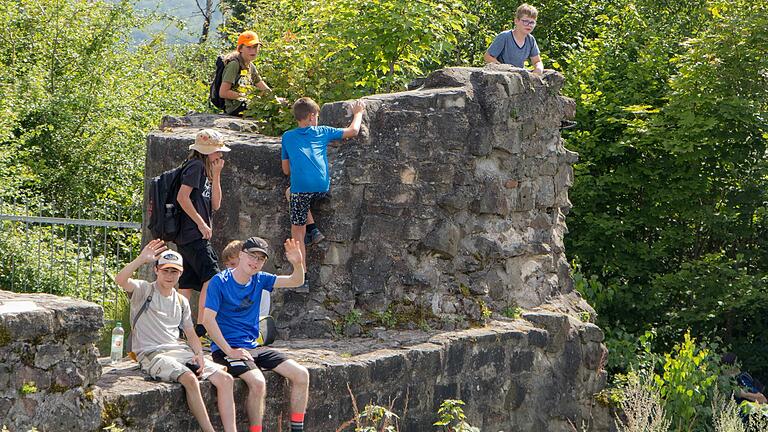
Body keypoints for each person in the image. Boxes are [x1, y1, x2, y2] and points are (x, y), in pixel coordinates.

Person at [114, 239, 236, 432]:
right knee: (189, 377)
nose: (169, 275)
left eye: (174, 271)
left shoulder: (181, 301)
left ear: (180, 273)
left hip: (179, 351)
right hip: (151, 353)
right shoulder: (144, 290)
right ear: (156, 270)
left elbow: (190, 332)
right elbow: (120, 280)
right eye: (165, 270)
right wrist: (140, 259)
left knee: (226, 379)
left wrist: (199, 355)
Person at [203, 237, 309, 432]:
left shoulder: (260, 279)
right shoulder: (220, 281)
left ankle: (297, 429)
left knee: (302, 375)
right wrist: (229, 350)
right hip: (227, 349)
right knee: (258, 383)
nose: (255, 262)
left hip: (254, 347)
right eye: (252, 256)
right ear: (241, 254)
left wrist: (297, 263)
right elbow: (207, 320)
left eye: (261, 259)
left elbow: (296, 280)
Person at [281, 97, 365, 281]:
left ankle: (300, 276)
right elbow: (353, 131)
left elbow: (285, 170)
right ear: (311, 117)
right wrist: (358, 112)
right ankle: (314, 230)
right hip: (321, 187)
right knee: (292, 193)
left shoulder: (287, 136)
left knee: (297, 233)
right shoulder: (322, 132)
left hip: (301, 190)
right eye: (316, 116)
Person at [176, 128, 229, 337]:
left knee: (187, 282)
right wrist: (201, 224)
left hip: (190, 235)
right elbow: (182, 197)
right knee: (213, 278)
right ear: (207, 152)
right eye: (218, 152)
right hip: (193, 234)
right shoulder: (195, 167)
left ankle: (180, 327)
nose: (220, 156)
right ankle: (202, 327)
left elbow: (215, 204)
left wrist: (216, 176)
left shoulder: (205, 170)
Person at [219, 30, 281, 116]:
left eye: (255, 47)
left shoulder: (250, 66)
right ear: (240, 49)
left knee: (279, 105)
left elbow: (263, 88)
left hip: (246, 104)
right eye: (249, 47)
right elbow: (223, 92)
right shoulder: (234, 65)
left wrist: (276, 100)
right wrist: (247, 96)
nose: (253, 51)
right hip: (235, 108)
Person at [484, 3, 544, 75]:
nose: (529, 25)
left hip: (519, 76)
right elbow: (487, 57)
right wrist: (503, 68)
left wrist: (538, 70)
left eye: (532, 22)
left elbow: (537, 61)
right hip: (501, 76)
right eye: (525, 21)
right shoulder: (504, 36)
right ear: (516, 21)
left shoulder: (530, 40)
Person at [221, 239, 271, 318]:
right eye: (226, 265)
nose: (229, 269)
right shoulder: (222, 283)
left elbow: (262, 317)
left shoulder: (261, 286)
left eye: (233, 264)